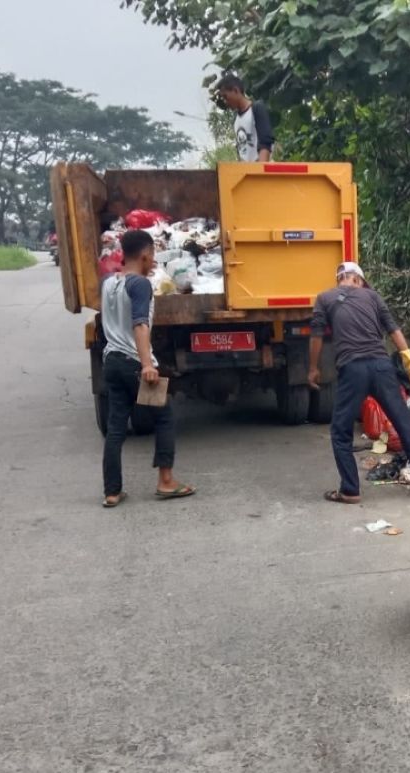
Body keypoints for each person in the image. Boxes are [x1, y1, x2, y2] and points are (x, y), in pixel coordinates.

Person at [308, 261, 410, 504]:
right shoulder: (372, 296)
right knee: (403, 421)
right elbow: (394, 330)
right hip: (382, 367)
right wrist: (408, 359)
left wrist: (313, 369)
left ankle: (350, 490)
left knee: (341, 430)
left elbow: (316, 336)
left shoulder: (324, 298)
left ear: (341, 278)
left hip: (352, 369)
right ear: (358, 280)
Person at [100, 229, 195, 507]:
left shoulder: (108, 283)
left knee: (116, 427)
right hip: (133, 361)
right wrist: (146, 365)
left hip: (112, 361)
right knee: (164, 418)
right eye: (152, 255)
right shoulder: (140, 284)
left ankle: (112, 491)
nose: (154, 260)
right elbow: (140, 325)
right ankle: (166, 482)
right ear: (143, 255)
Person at [216, 74, 274, 163]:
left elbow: (266, 143)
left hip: (260, 170)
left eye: (225, 96)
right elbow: (241, 151)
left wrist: (261, 172)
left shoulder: (256, 109)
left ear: (235, 90)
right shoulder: (236, 120)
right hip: (246, 172)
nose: (225, 102)